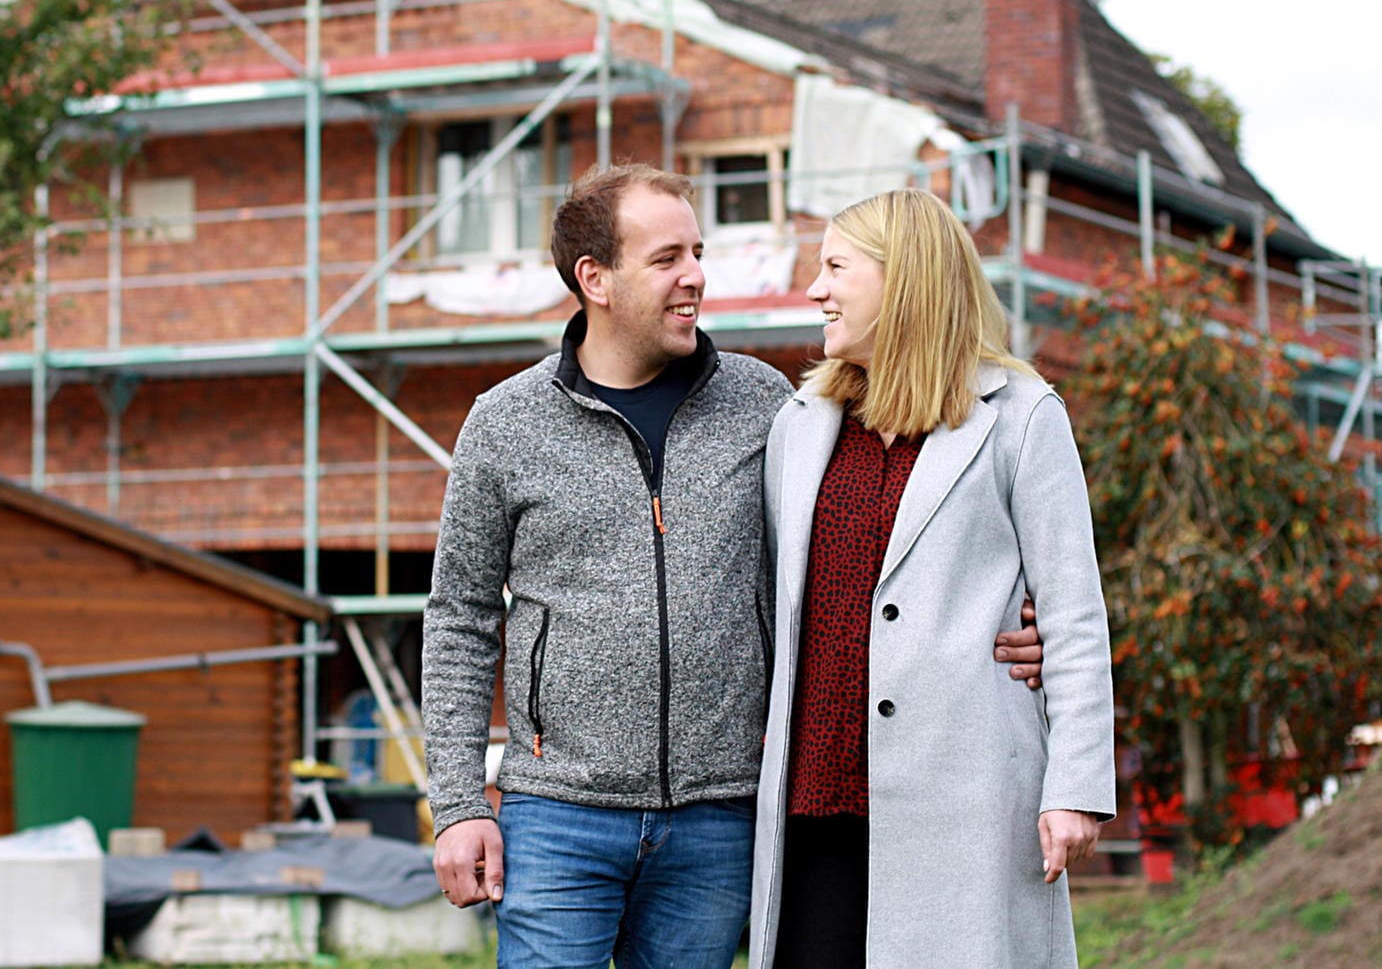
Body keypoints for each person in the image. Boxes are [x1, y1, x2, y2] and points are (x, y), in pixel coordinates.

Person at [422, 165, 1047, 969]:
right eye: (668, 257)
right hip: (557, 813)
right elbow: (459, 619)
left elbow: (866, 552)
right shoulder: (504, 424)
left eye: (698, 250)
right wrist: (459, 803)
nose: (696, 275)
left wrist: (1009, 622)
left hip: (721, 819)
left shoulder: (770, 407)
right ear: (596, 279)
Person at [749, 188, 1116, 968]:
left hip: (966, 798)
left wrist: (1075, 786)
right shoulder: (800, 424)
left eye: (836, 267)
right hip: (814, 803)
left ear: (903, 278)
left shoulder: (1021, 415)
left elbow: (1074, 613)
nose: (816, 289)